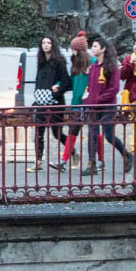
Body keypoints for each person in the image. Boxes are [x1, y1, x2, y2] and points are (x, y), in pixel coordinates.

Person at [80, 38, 134, 176]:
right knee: (92, 134)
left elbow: (114, 89)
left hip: (107, 107)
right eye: (92, 46)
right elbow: (91, 88)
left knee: (109, 136)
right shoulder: (93, 67)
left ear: (103, 49)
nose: (92, 49)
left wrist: (98, 99)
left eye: (95, 46)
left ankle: (127, 155)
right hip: (93, 107)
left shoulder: (111, 67)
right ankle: (91, 164)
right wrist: (87, 100)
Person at [28, 35, 68, 172]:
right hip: (41, 102)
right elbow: (38, 80)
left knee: (57, 133)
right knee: (39, 131)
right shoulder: (41, 61)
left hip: (55, 102)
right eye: (43, 43)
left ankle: (72, 152)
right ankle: (38, 162)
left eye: (48, 43)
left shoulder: (59, 62)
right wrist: (37, 94)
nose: (46, 45)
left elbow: (66, 81)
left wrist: (56, 91)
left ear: (53, 45)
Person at [56, 32, 94, 169]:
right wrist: (60, 84)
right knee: (73, 130)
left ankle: (99, 161)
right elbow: (71, 82)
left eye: (73, 49)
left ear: (79, 50)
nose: (72, 52)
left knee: (95, 132)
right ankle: (63, 161)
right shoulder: (75, 66)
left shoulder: (93, 63)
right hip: (76, 104)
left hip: (88, 104)